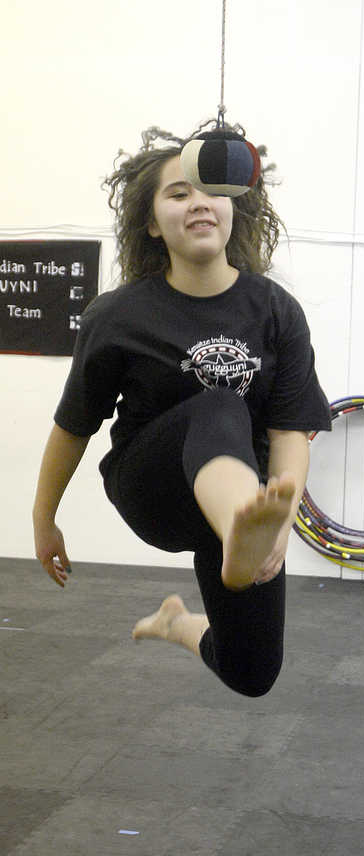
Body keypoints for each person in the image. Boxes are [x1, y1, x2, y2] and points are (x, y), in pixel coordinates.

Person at [32, 122, 331, 698]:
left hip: (247, 507)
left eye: (212, 190)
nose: (199, 202)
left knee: (252, 672)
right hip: (156, 488)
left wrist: (279, 527)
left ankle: (179, 620)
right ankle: (239, 531)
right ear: (150, 222)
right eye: (178, 192)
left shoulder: (276, 312)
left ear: (235, 207)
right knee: (217, 403)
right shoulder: (117, 316)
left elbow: (291, 432)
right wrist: (44, 519)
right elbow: (73, 426)